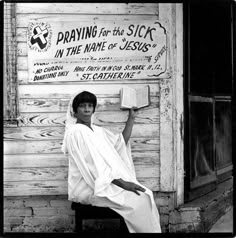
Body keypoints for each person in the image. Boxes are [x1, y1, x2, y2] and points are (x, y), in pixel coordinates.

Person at [62, 90, 161, 233]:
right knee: (139, 201)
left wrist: (131, 118)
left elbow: (120, 144)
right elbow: (93, 167)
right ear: (75, 110)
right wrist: (123, 184)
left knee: (146, 195)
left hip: (107, 181)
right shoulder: (77, 131)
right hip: (89, 186)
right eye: (82, 106)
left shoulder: (97, 130)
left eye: (90, 105)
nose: (87, 109)